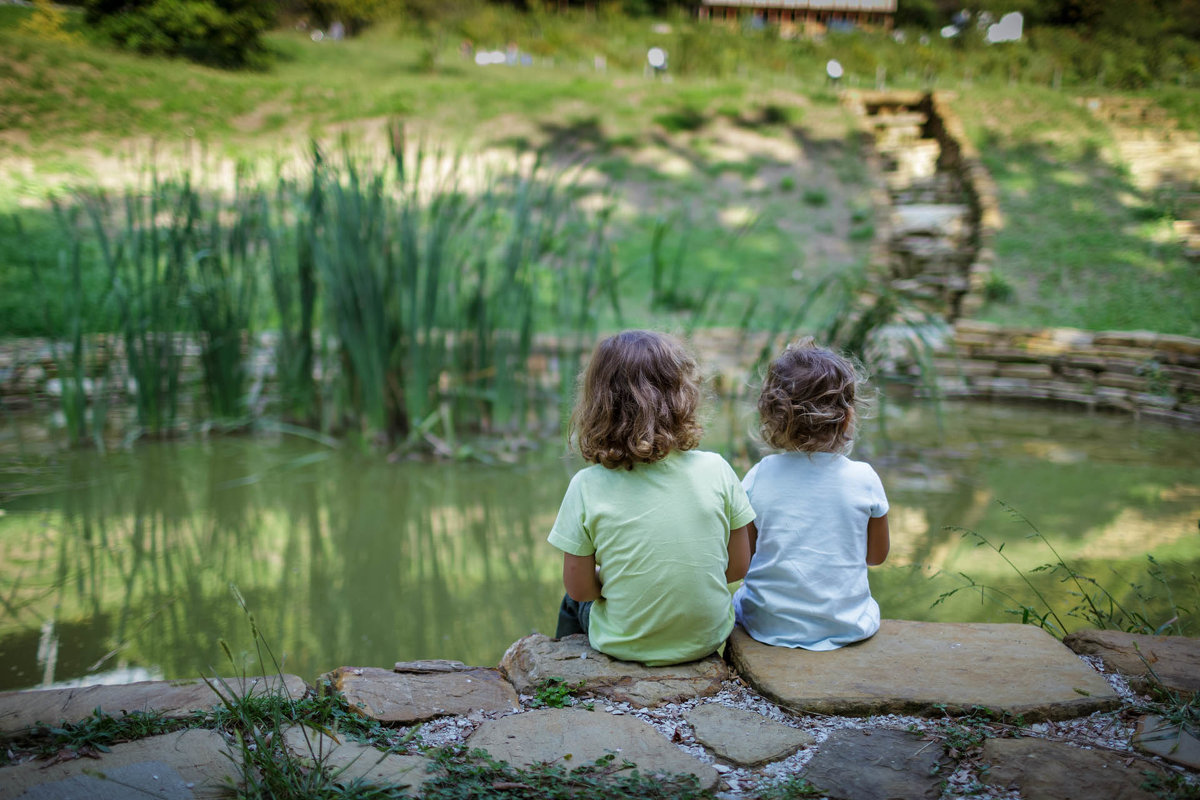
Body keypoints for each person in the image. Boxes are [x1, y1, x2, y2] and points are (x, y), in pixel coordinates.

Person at [548, 330, 756, 666]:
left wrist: (618, 577)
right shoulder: (717, 469)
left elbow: (580, 590)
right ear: (684, 396)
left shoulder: (587, 485)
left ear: (598, 404)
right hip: (707, 638)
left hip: (624, 643)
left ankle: (559, 672)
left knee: (571, 605)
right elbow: (738, 567)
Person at [734, 339, 890, 650]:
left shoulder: (759, 475)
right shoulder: (864, 479)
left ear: (772, 418)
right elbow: (876, 556)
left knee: (741, 597)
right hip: (847, 624)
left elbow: (744, 558)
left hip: (767, 623)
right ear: (847, 417)